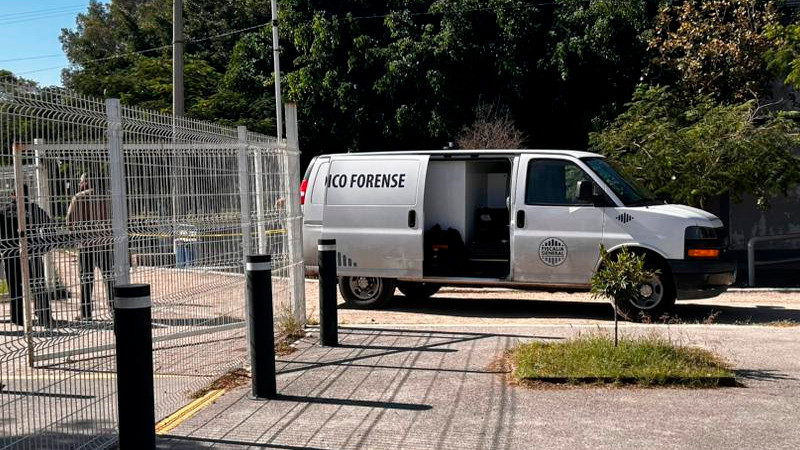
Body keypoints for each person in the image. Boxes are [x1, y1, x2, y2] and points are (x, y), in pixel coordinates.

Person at [0, 185, 54, 327]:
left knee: (15, 286)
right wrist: (43, 247)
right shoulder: (35, 209)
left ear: (12, 195)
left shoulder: (4, 211)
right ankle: (44, 315)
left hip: (11, 253)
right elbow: (51, 227)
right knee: (38, 284)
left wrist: (3, 249)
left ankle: (17, 318)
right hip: (32, 251)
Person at [66, 174, 114, 320]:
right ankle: (114, 308)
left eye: (81, 182)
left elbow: (69, 220)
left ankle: (86, 313)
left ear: (86, 182)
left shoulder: (79, 198)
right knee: (110, 277)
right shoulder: (109, 197)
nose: (80, 184)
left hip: (87, 244)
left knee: (86, 278)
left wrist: (78, 234)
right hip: (106, 242)